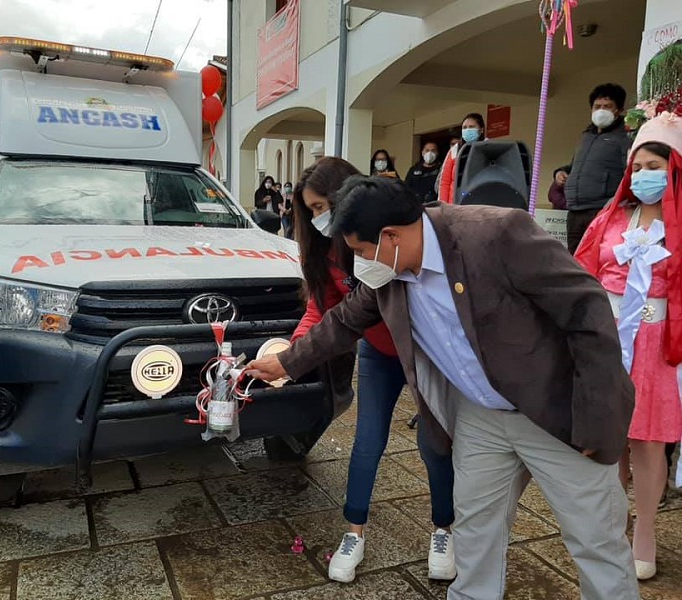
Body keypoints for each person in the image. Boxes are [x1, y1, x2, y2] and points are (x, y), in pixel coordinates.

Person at [247, 176, 639, 600]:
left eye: (361, 251)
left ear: (391, 236)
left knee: (594, 537)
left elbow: (587, 309)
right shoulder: (389, 273)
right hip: (480, 415)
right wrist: (284, 362)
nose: (360, 264)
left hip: (554, 407)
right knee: (474, 529)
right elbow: (342, 322)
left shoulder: (496, 233)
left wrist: (598, 420)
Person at [291, 157, 456, 583]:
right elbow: (322, 312)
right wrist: (290, 353)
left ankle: (443, 529)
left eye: (322, 206)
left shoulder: (388, 240)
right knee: (366, 442)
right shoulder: (325, 252)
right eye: (310, 211)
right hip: (378, 355)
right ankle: (354, 532)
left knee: (433, 444)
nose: (319, 219)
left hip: (423, 352)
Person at [575, 109, 682, 582]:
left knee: (648, 440)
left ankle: (645, 531)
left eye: (653, 167)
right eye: (636, 168)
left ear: (674, 170)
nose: (643, 176)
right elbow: (581, 272)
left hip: (657, 343)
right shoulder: (610, 218)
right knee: (611, 439)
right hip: (607, 338)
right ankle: (612, 524)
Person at [554, 83, 632, 253]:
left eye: (607, 106)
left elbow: (629, 172)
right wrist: (561, 173)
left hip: (601, 210)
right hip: (574, 210)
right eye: (597, 106)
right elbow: (574, 166)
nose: (601, 110)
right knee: (574, 259)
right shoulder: (586, 136)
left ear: (618, 110)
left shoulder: (624, 137)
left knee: (596, 257)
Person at [438, 114, 486, 204]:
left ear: (481, 129)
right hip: (455, 205)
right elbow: (445, 181)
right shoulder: (455, 150)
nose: (467, 130)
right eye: (464, 128)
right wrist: (443, 205)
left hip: (480, 204)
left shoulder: (489, 148)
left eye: (471, 127)